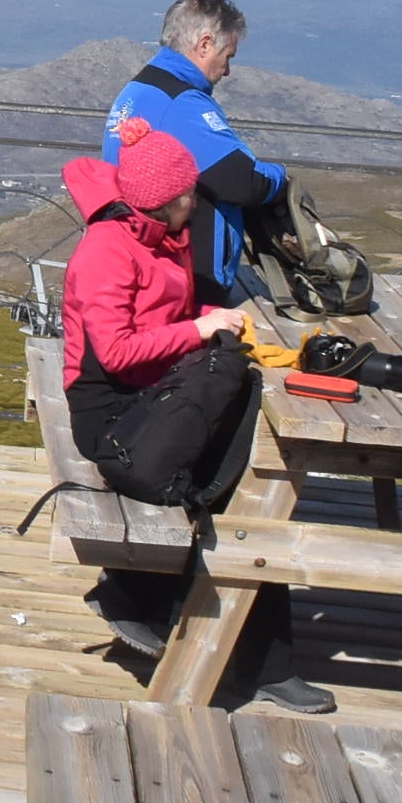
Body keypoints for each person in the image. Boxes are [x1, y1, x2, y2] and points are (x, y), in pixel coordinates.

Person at [60, 117, 334, 713]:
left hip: (148, 394)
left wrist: (207, 317)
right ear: (175, 198)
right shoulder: (108, 250)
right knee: (243, 490)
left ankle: (160, 604)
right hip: (112, 415)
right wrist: (200, 328)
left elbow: (166, 313)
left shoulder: (155, 234)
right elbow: (115, 352)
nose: (199, 202)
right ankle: (253, 657)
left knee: (246, 473)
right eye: (193, 193)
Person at [104, 0, 289, 304]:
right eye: (227, 56)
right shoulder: (181, 103)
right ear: (204, 44)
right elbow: (242, 183)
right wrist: (282, 179)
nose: (227, 70)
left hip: (142, 267)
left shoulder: (140, 88)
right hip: (188, 282)